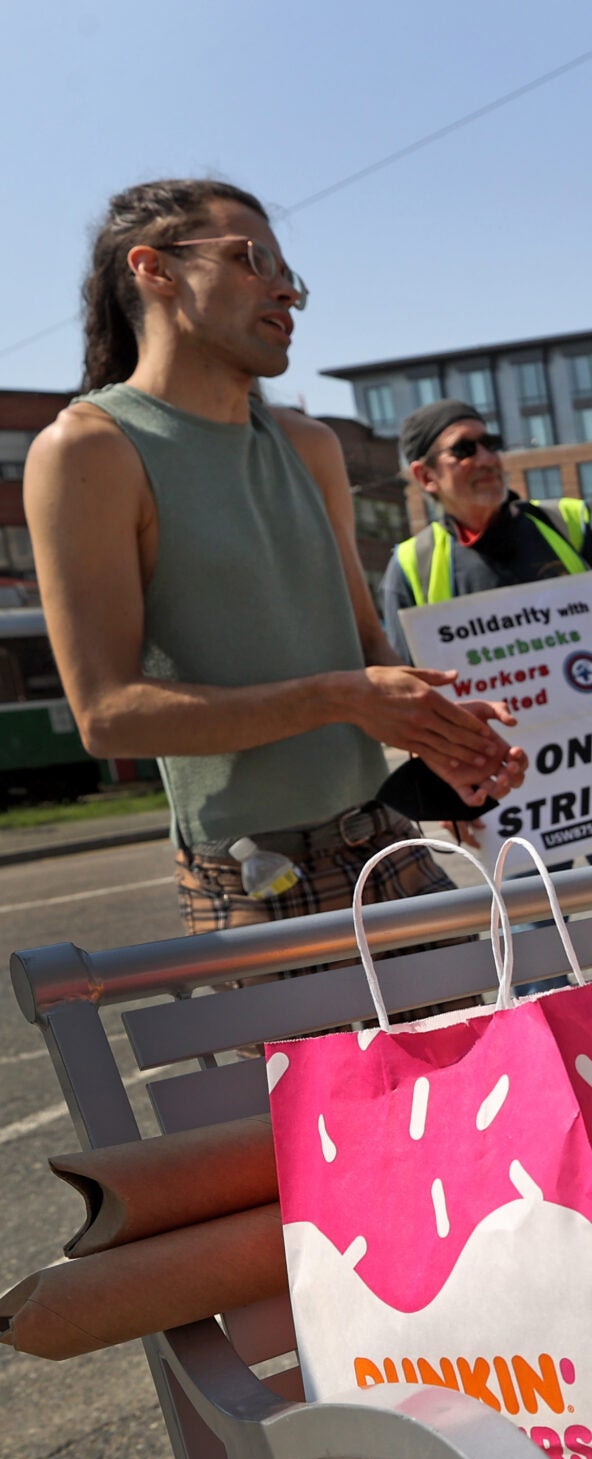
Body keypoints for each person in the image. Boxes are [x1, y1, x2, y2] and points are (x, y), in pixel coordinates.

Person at [25, 180, 524, 934]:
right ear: (153, 269)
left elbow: (363, 646)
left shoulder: (310, 444)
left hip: (385, 842)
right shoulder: (88, 448)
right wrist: (341, 697)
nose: (286, 289)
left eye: (290, 273)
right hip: (251, 879)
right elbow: (107, 716)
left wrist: (439, 735)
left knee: (490, 1052)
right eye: (252, 258)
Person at [382, 398, 592, 871]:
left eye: (491, 444)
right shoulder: (410, 566)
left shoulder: (564, 525)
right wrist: (442, 783)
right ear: (425, 477)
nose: (486, 458)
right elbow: (410, 693)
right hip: (508, 791)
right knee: (534, 933)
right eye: (465, 450)